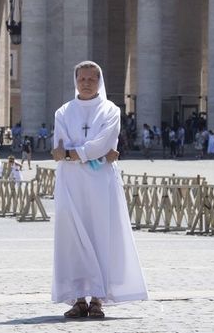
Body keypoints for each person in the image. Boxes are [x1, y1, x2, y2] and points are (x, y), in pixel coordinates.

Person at [50, 61, 148, 318]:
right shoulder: (63, 112)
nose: (85, 83)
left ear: (99, 81)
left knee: (100, 236)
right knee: (72, 239)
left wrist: (74, 153)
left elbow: (102, 144)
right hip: (71, 184)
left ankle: (97, 299)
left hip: (100, 184)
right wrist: (87, 153)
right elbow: (59, 144)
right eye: (81, 79)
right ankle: (78, 299)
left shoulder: (110, 110)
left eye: (91, 79)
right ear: (76, 81)